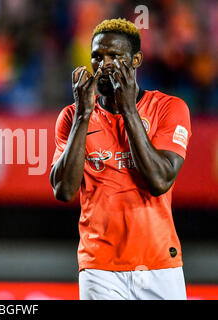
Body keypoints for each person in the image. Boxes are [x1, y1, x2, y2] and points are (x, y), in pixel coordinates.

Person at [50, 18, 191, 300]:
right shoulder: (71, 117)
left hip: (160, 264)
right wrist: (83, 115)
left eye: (115, 56)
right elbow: (64, 191)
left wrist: (128, 110)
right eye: (97, 57)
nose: (104, 65)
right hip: (99, 267)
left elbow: (159, 180)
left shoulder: (169, 109)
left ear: (136, 60)